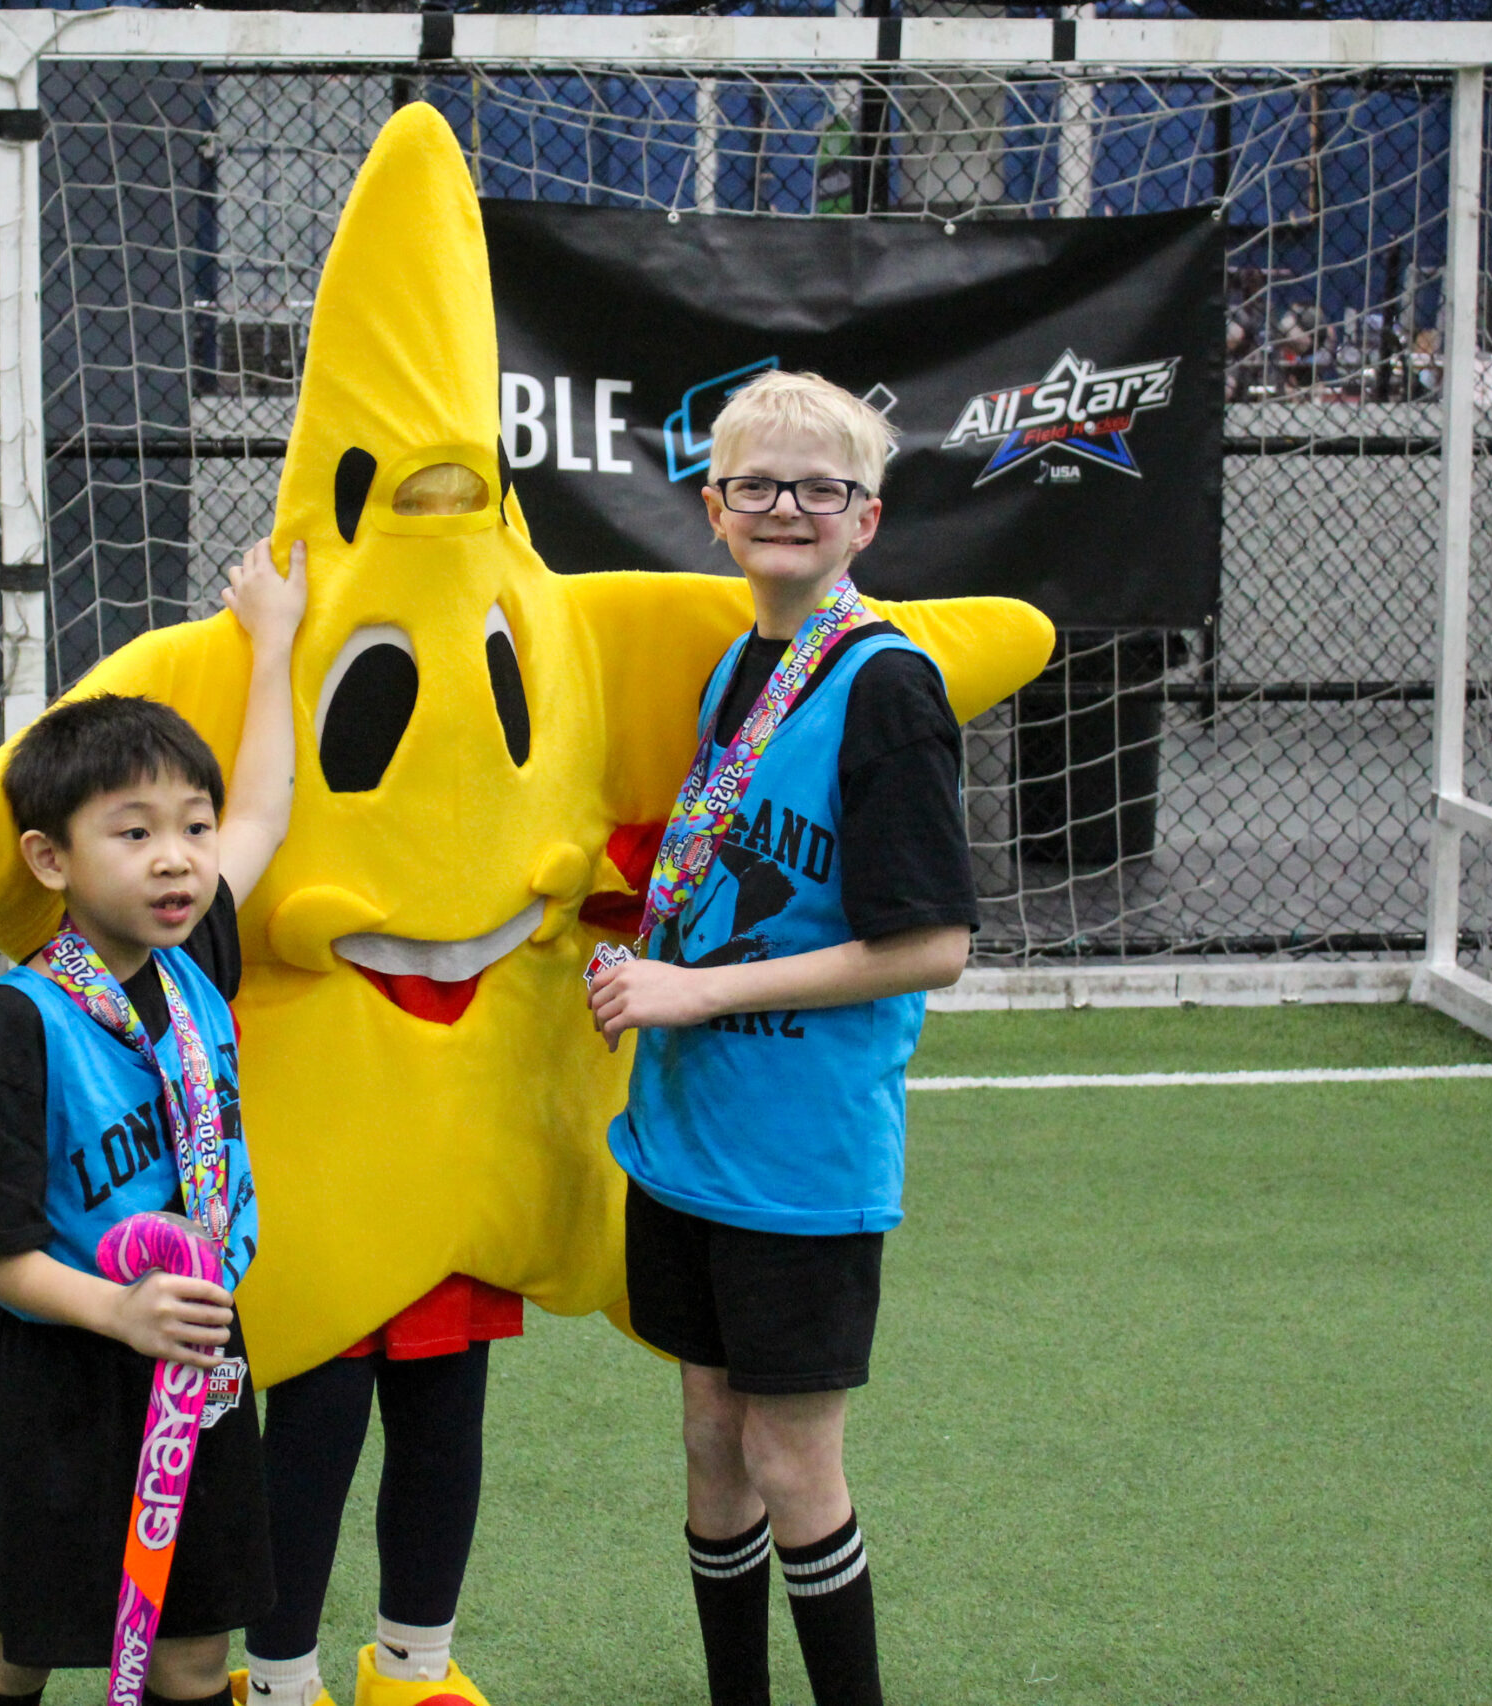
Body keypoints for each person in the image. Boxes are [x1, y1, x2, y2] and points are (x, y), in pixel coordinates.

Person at [586, 370, 977, 1706]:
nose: (786, 507)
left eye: (821, 487)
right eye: (756, 483)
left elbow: (932, 944)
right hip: (688, 1132)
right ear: (715, 507)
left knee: (792, 1459)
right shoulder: (739, 664)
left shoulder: (886, 686)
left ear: (866, 519)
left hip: (801, 1157)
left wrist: (689, 994)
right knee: (710, 1437)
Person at [0, 544, 307, 1706]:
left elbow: (263, 808)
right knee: (21, 1643)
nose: (177, 857)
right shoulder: (18, 1024)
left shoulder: (194, 961)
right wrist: (116, 1310)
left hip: (195, 1356)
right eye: (133, 832)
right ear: (50, 857)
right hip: (57, 1369)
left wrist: (274, 644)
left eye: (189, 826)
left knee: (195, 1650)